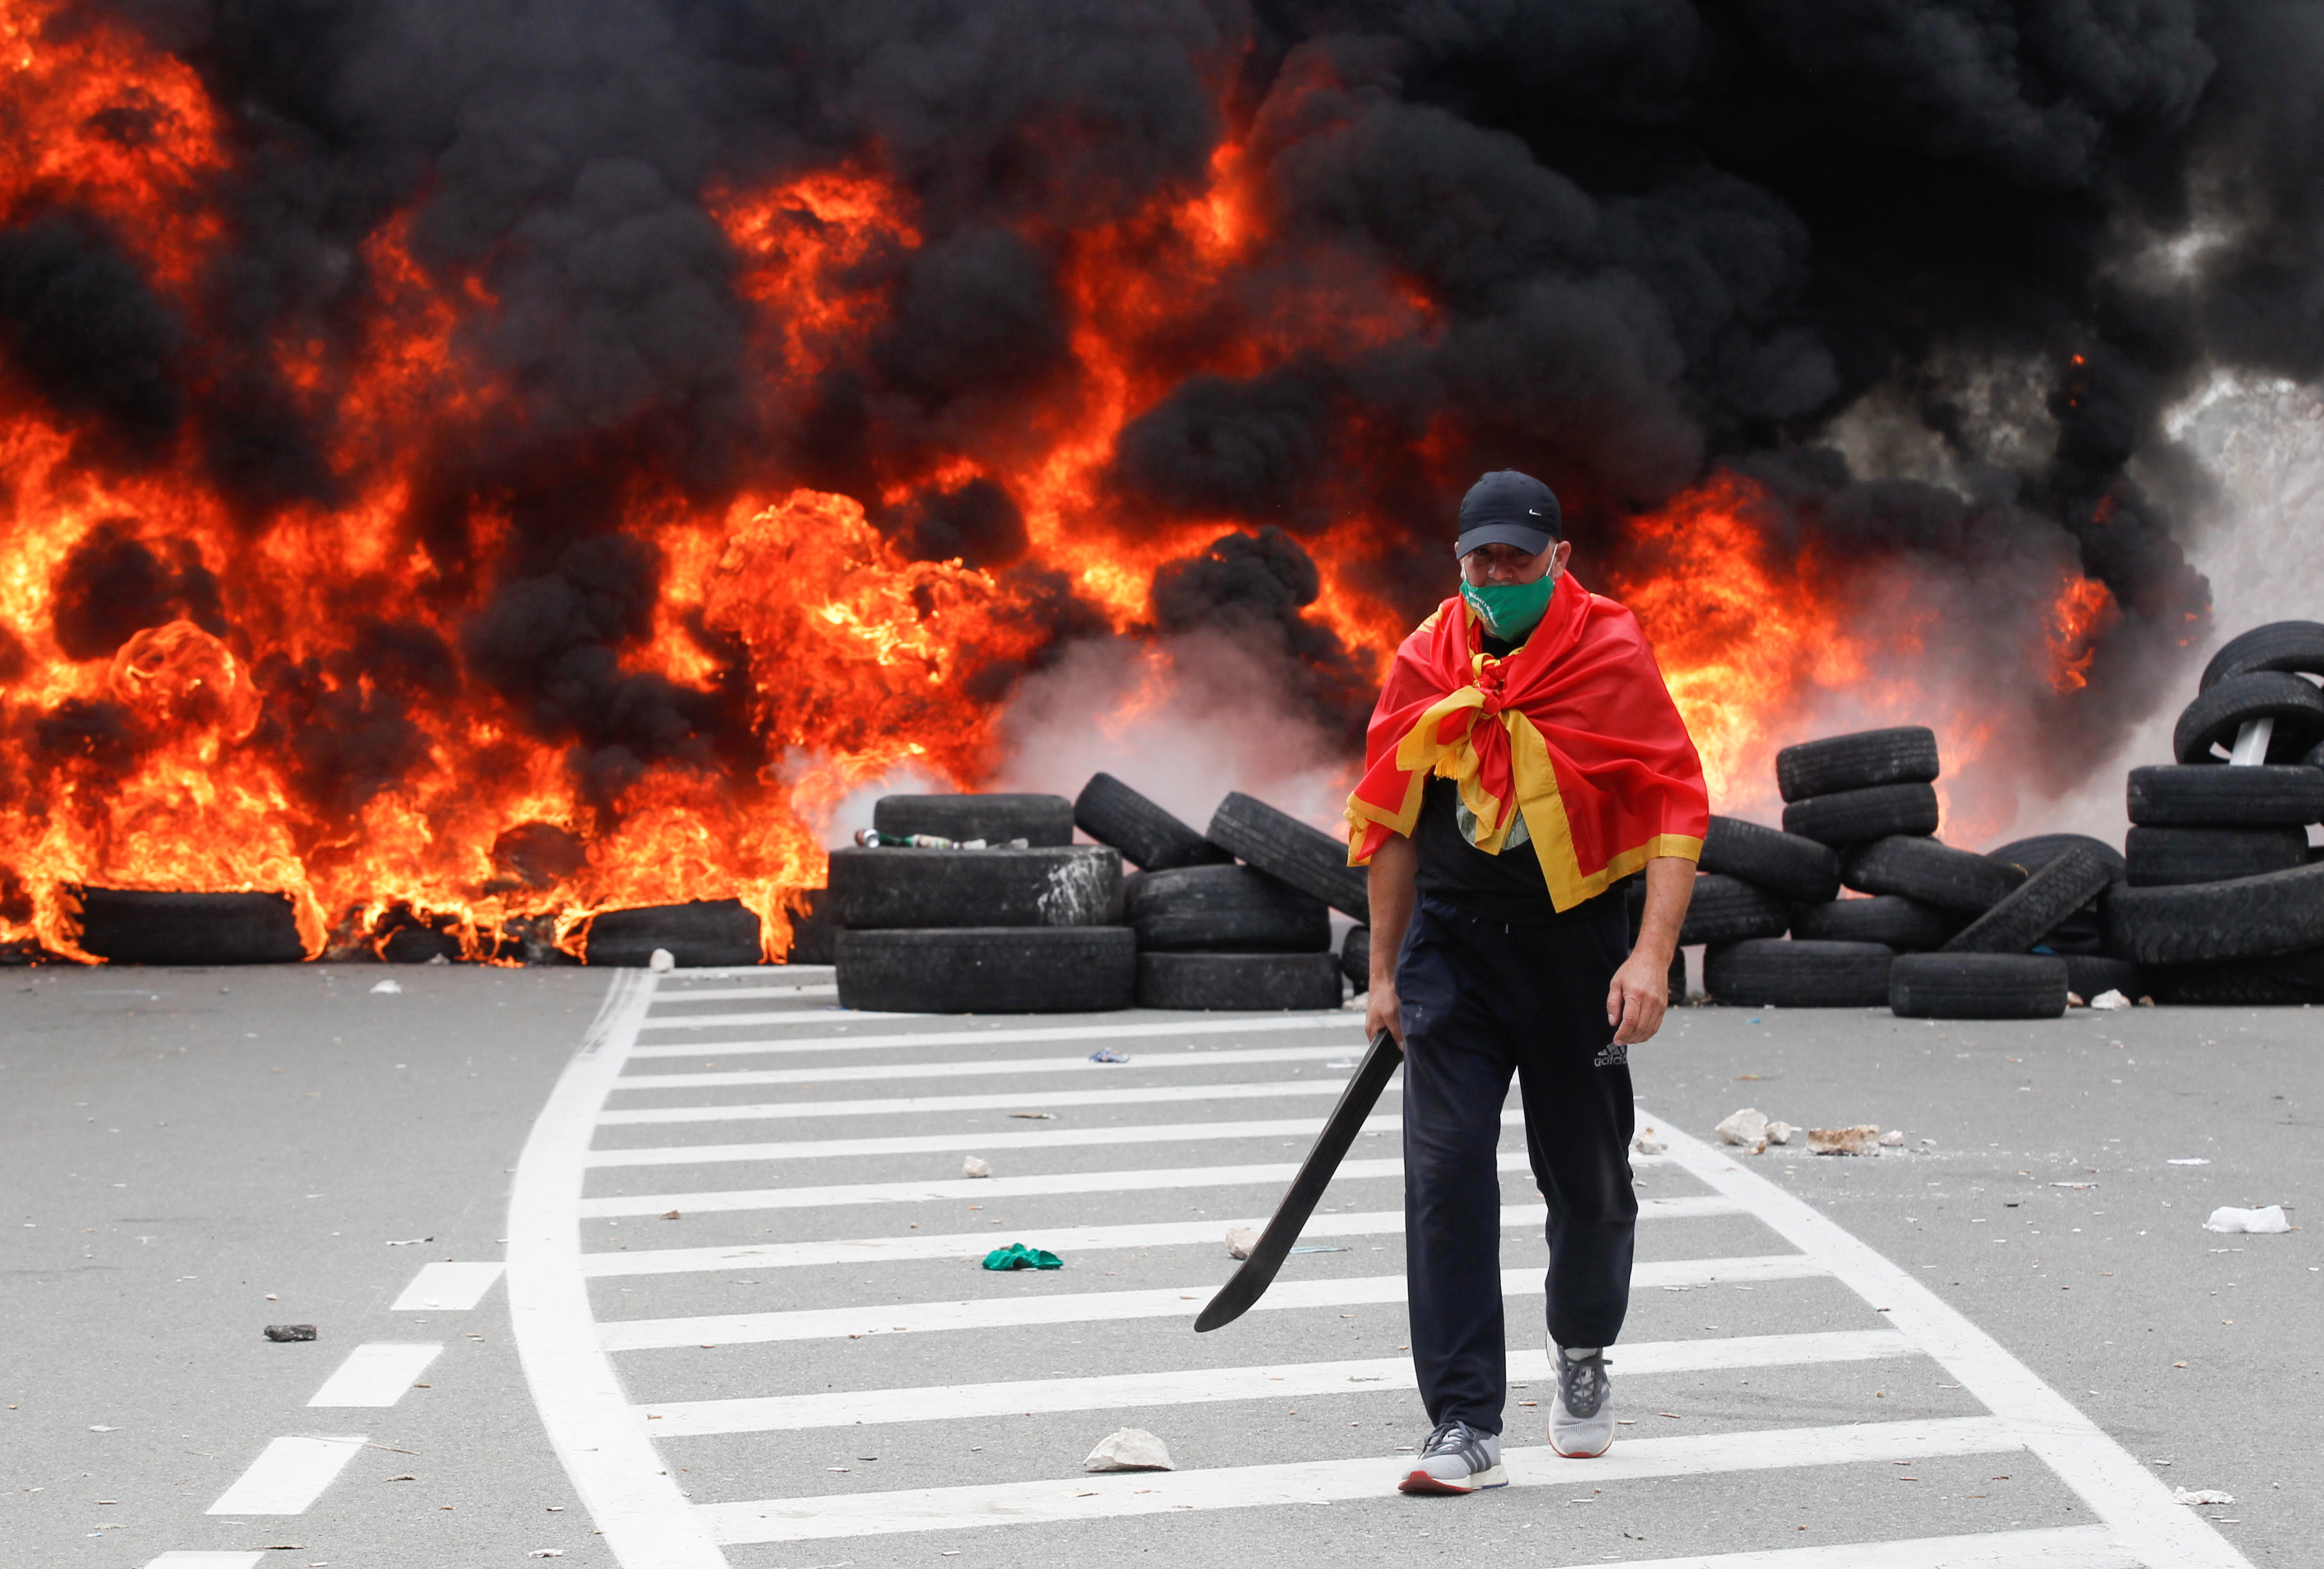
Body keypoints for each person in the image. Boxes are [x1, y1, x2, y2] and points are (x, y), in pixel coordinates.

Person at [1346, 469, 1708, 1496]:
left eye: (1516, 558)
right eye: (1480, 560)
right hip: (1452, 954)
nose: (1496, 576)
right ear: (1458, 561)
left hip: (1574, 949)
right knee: (1446, 1180)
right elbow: (1392, 823)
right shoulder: (1427, 658)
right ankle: (1464, 1419)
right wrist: (1382, 975)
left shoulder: (1610, 654)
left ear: (1559, 559)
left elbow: (1677, 807)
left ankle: (1583, 1345)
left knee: (1589, 1186)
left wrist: (1650, 956)